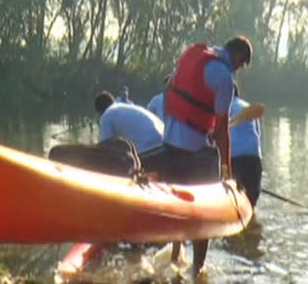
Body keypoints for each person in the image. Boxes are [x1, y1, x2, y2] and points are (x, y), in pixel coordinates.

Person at [162, 36, 253, 276]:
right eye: (242, 64)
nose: (240, 69)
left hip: (169, 142)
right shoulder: (224, 78)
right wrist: (227, 173)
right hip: (195, 151)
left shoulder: (195, 54)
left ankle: (174, 257)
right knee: (203, 213)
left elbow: (168, 87)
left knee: (177, 203)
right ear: (238, 56)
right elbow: (222, 130)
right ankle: (197, 270)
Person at [94, 90, 164, 153]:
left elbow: (107, 148)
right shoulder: (125, 107)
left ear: (100, 111)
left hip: (150, 144)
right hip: (164, 139)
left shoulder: (106, 116)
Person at [229, 86, 265, 208]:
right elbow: (258, 135)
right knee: (251, 200)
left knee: (233, 197)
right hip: (254, 157)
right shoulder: (247, 106)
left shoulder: (221, 108)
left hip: (235, 158)